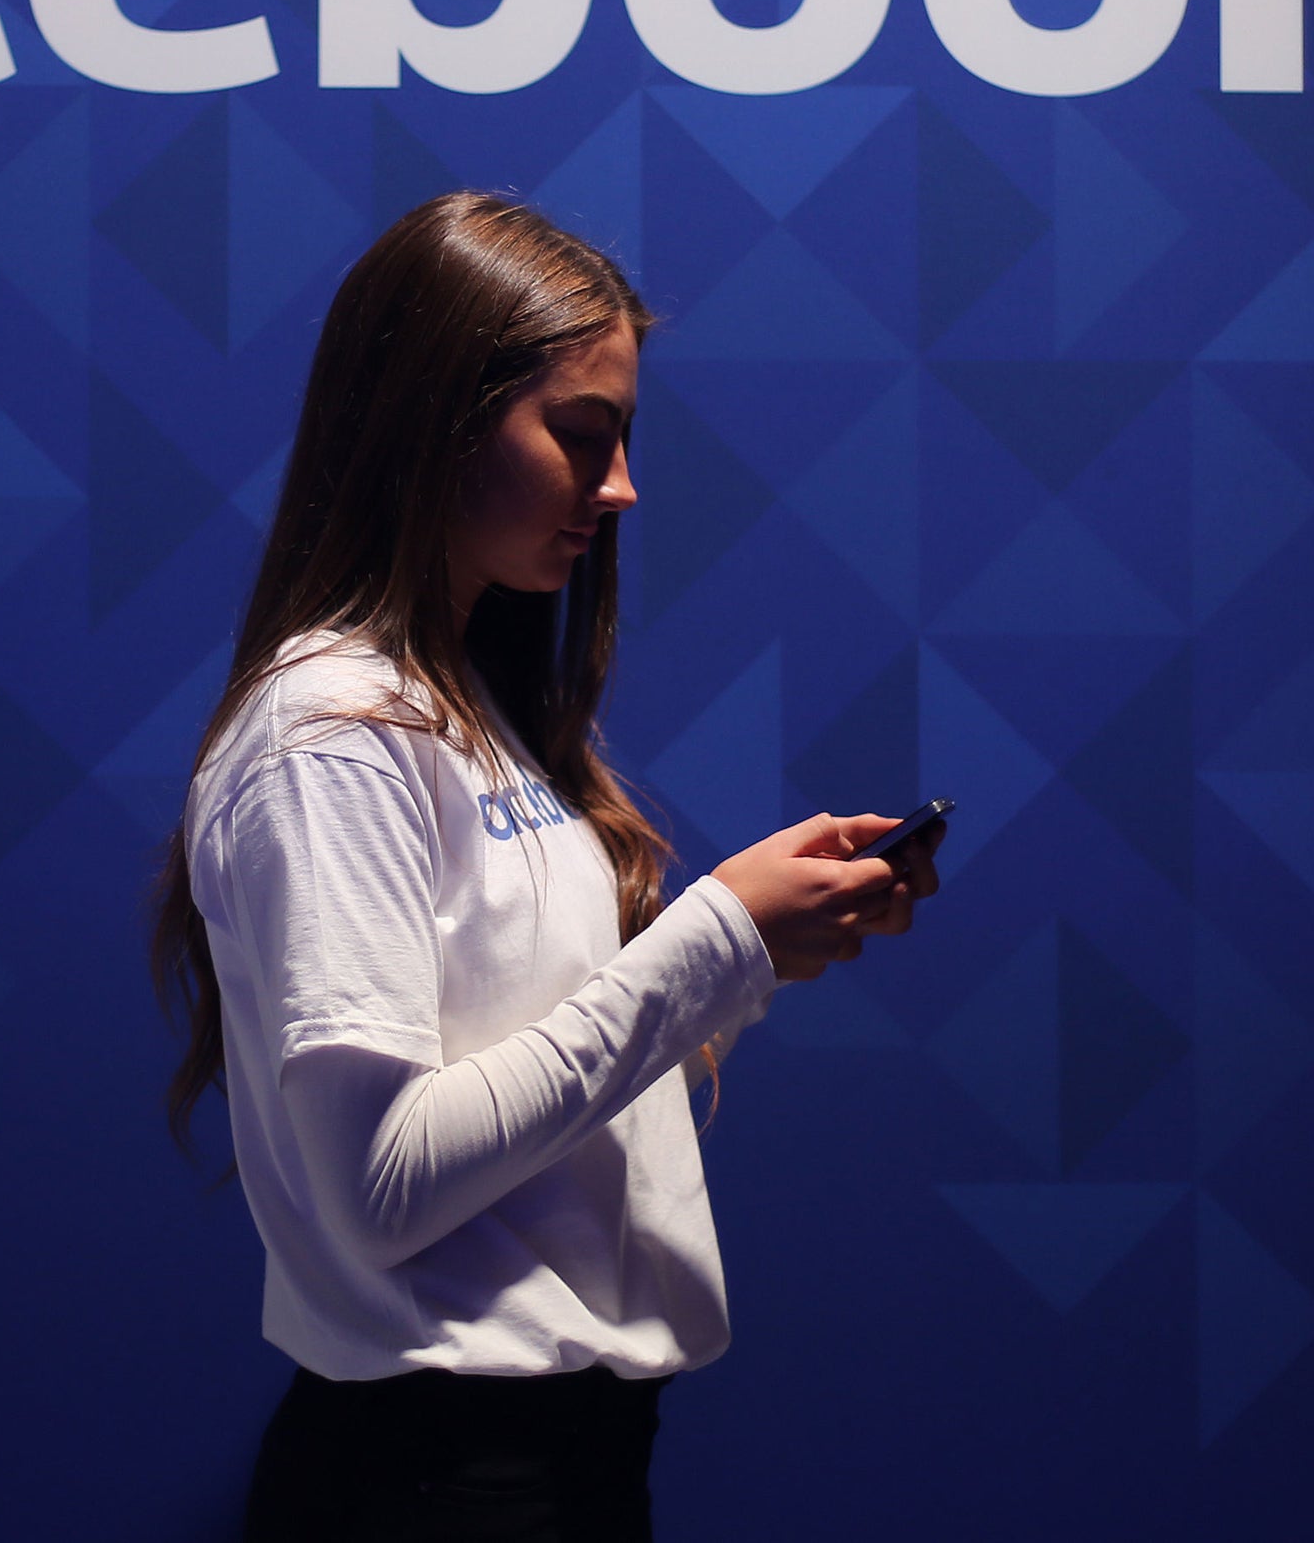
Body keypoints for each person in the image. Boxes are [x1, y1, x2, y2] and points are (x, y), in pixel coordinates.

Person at [148, 192, 942, 1541]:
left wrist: (757, 949)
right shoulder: (331, 738)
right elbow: (386, 1187)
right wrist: (714, 945)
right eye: (583, 436)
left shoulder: (474, 713)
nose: (622, 487)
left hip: (559, 1465)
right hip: (437, 1483)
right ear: (432, 427)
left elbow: (530, 1059)